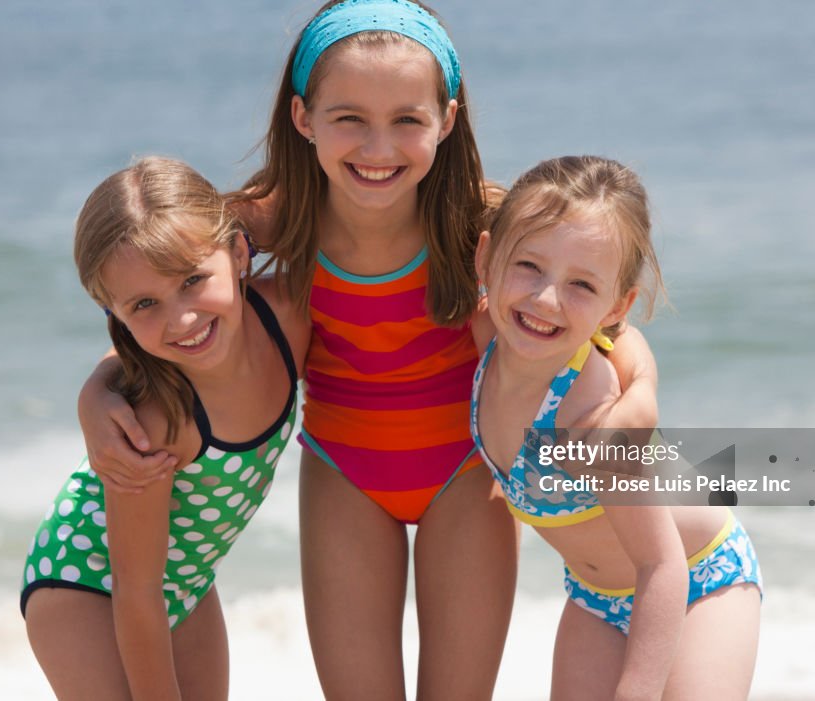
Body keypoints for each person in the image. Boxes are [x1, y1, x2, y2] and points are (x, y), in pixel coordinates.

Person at [75, 3, 657, 698]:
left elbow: (607, 326)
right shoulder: (270, 219)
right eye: (349, 117)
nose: (377, 149)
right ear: (303, 118)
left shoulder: (487, 221)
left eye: (407, 120)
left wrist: (641, 394)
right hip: (344, 476)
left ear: (446, 118)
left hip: (464, 478)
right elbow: (172, 307)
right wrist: (99, 391)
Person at [471, 156, 762, 700]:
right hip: (594, 598)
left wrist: (638, 690)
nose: (545, 298)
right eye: (528, 266)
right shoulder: (485, 335)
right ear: (486, 256)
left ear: (617, 306)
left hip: (699, 582)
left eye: (581, 284)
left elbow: (661, 562)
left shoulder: (593, 415)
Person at [21, 157, 309, 701]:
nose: (182, 320)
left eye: (193, 280)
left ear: (239, 254)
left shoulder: (289, 318)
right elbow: (136, 593)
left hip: (187, 582)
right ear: (115, 315)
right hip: (88, 582)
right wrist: (98, 390)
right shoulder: (156, 421)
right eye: (145, 304)